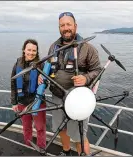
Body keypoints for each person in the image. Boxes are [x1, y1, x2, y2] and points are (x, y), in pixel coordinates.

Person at [38, 12, 102, 155]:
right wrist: (42, 77)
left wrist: (86, 78)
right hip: (57, 96)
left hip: (78, 100)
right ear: (59, 27)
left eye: (68, 24)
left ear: (75, 26)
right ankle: (66, 152)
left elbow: (98, 70)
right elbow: (47, 68)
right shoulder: (53, 47)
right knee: (61, 129)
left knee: (79, 136)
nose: (66, 28)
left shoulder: (87, 48)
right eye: (62, 25)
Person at [11, 39, 46, 154]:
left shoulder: (41, 65)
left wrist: (44, 81)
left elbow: (48, 83)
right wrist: (14, 102)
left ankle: (41, 149)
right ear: (24, 50)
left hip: (37, 103)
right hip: (22, 103)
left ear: (37, 52)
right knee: (26, 128)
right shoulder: (17, 64)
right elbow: (13, 84)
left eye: (34, 50)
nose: (31, 53)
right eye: (29, 50)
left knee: (40, 128)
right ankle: (28, 146)